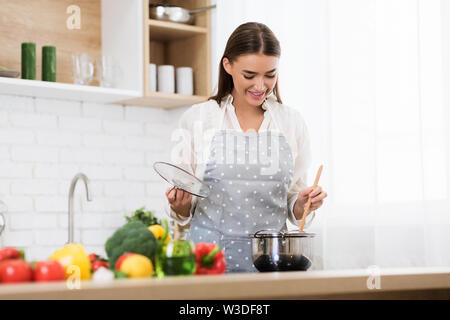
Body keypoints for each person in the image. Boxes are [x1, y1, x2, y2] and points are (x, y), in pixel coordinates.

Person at [165, 22, 327, 273]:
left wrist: (303, 202)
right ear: (227, 65)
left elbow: (293, 206)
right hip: (209, 266)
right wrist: (180, 204)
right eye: (249, 76)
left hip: (272, 266)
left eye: (270, 75)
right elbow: (183, 213)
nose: (260, 86)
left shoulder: (291, 122)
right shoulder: (198, 119)